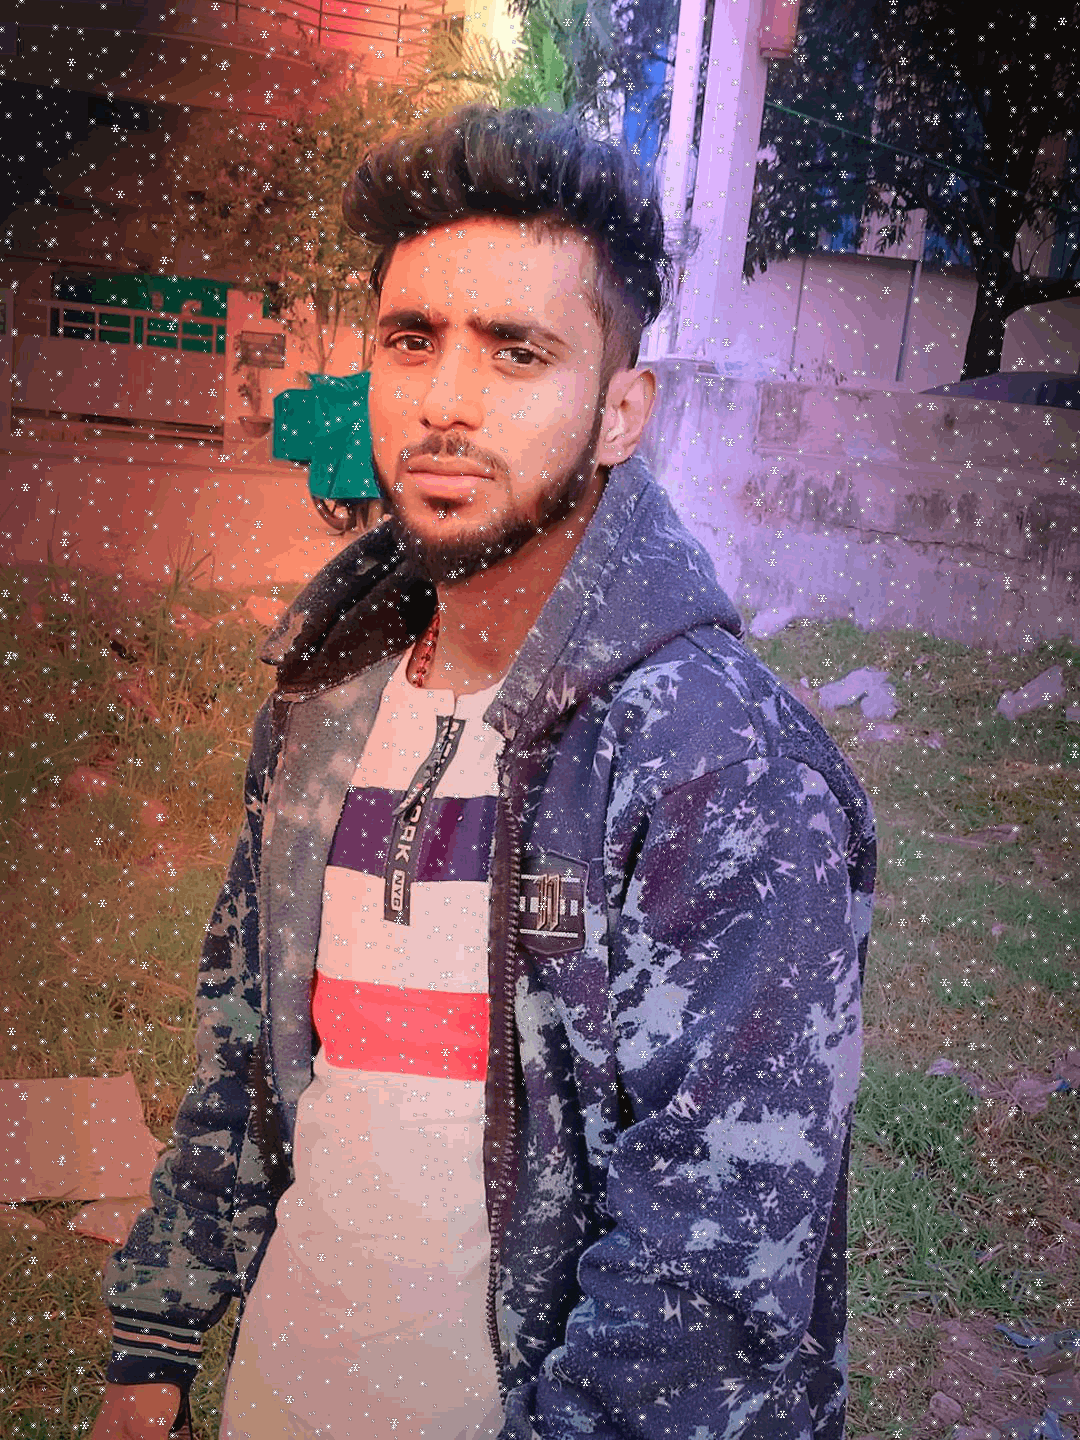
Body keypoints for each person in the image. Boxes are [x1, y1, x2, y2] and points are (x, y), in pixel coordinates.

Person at [91, 105, 874, 1440]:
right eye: (413, 340)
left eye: (518, 351)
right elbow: (246, 1051)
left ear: (622, 410)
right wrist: (156, 1339)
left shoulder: (720, 765)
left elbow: (706, 1280)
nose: (445, 401)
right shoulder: (327, 696)